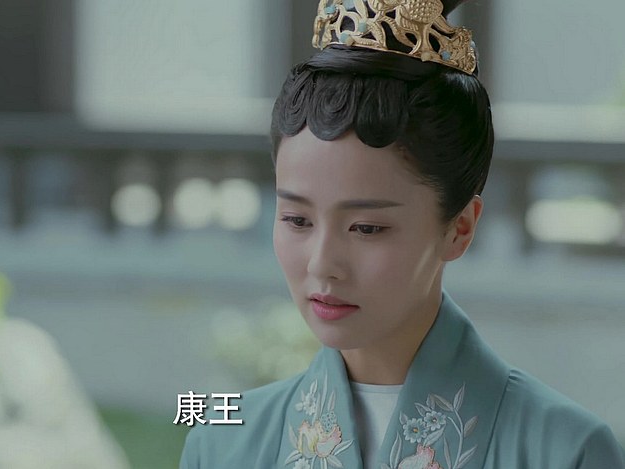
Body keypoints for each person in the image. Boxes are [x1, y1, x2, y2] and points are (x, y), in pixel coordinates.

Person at [179, 0, 625, 467]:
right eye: (297, 220)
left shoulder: (565, 451)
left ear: (459, 228)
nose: (322, 263)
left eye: (366, 227)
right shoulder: (221, 444)